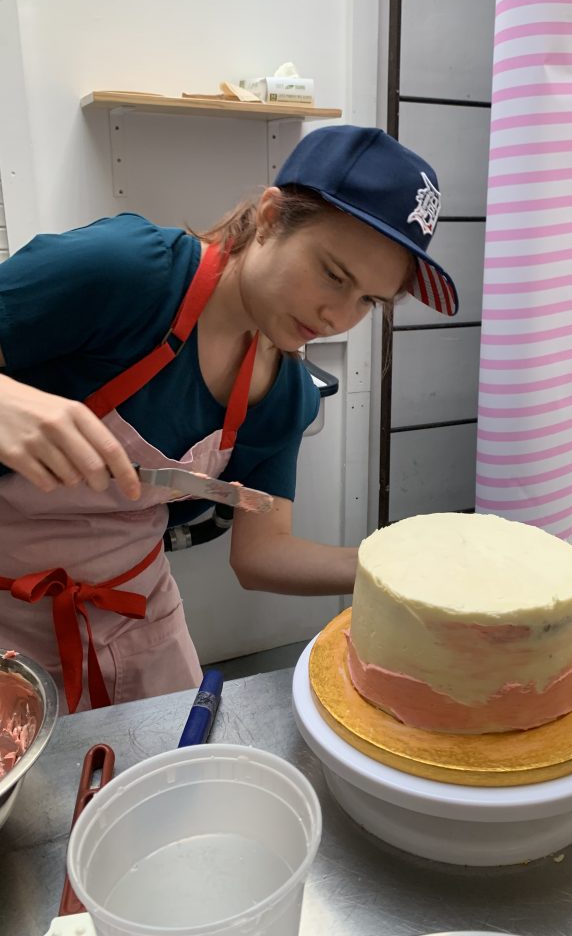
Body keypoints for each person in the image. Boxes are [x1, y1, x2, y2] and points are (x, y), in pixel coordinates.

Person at [0, 125, 459, 713]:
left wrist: (392, 567)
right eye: (333, 275)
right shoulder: (127, 273)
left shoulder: (283, 392)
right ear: (270, 218)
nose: (338, 316)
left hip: (135, 613)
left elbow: (261, 554)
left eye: (368, 301)